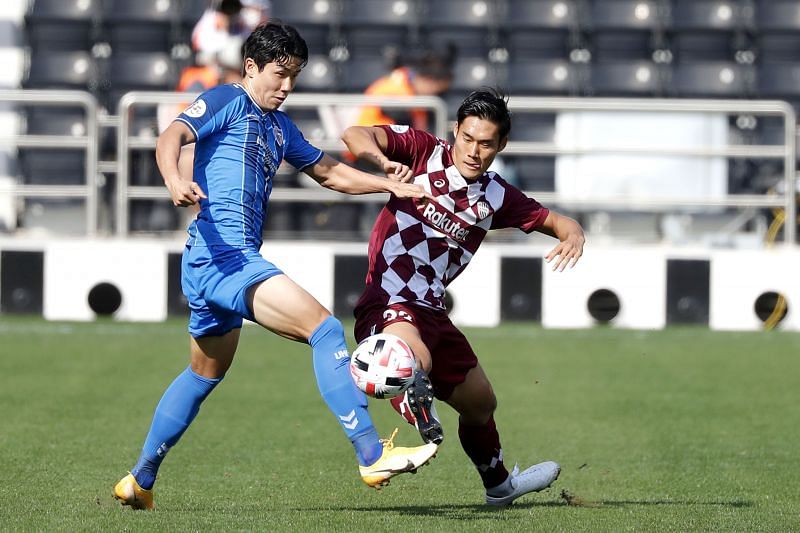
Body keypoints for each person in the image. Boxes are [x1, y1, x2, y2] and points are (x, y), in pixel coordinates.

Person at [112, 22, 438, 511]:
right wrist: (174, 179)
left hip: (215, 263)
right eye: (279, 74)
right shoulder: (227, 100)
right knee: (325, 329)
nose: (287, 87)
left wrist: (388, 185)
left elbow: (329, 172)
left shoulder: (279, 127)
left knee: (203, 375)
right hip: (224, 256)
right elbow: (172, 135)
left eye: (295, 77)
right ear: (251, 68)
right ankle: (371, 453)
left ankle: (139, 480)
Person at [341, 89, 586, 507]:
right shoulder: (420, 151)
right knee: (410, 353)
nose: (474, 150)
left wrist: (574, 232)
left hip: (433, 309)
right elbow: (354, 134)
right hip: (388, 297)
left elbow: (556, 221)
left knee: (481, 404)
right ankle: (410, 403)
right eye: (468, 138)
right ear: (455, 130)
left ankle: (499, 487)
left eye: (486, 143)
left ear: (501, 145)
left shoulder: (498, 196)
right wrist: (383, 165)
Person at [354, 44, 456, 133]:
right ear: (428, 81)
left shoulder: (412, 92)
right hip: (369, 145)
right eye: (436, 91)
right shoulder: (394, 87)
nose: (435, 95)